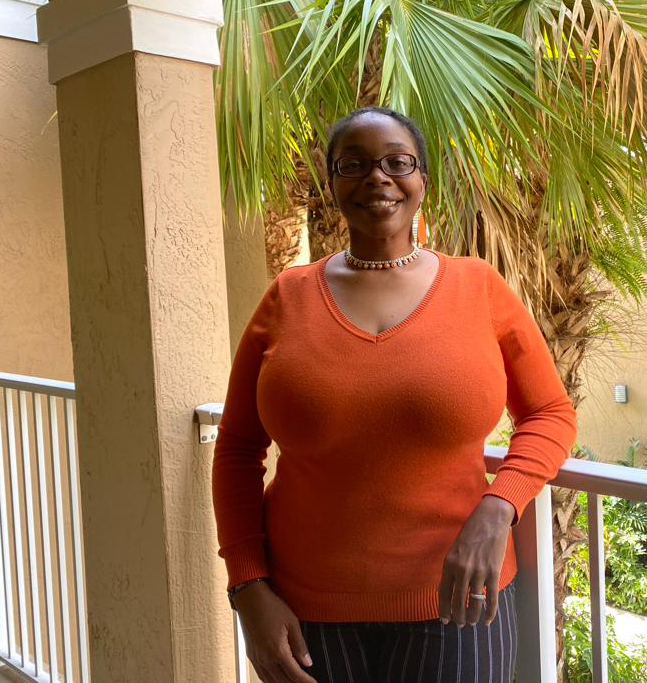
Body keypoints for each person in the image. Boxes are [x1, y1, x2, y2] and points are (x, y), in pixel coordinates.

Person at [212, 106, 577, 683]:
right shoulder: (288, 296)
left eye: (396, 162)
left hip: (459, 604)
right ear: (332, 184)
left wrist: (499, 506)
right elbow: (236, 449)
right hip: (305, 614)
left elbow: (550, 413)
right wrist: (247, 585)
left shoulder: (477, 287)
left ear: (422, 181)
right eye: (353, 164)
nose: (376, 176)